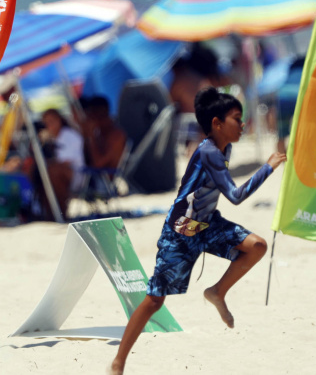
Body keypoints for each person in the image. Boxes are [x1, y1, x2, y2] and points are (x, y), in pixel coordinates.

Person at [109, 87, 286, 375]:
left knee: (257, 246)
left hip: (207, 224)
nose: (243, 124)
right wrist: (267, 168)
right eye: (237, 118)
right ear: (216, 123)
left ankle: (217, 291)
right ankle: (119, 362)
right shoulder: (208, 152)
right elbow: (236, 196)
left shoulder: (225, 148)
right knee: (154, 300)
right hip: (181, 231)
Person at [38, 108, 85, 219]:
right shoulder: (50, 138)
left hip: (76, 175)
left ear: (59, 120)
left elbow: (66, 161)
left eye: (51, 121)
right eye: (46, 123)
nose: (49, 125)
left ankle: (59, 212)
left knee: (54, 171)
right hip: (55, 172)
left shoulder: (71, 136)